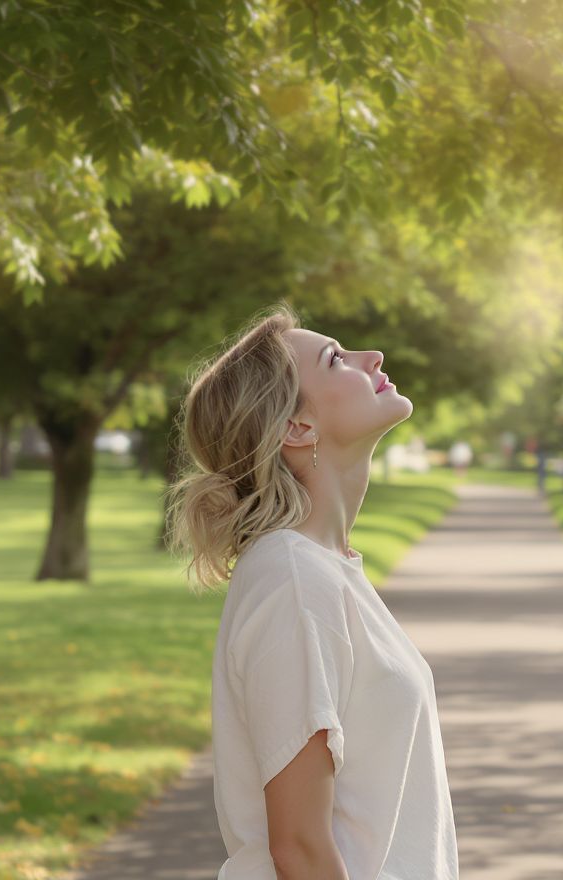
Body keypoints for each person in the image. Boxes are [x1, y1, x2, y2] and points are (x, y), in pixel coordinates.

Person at [165, 301, 459, 880]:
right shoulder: (294, 580)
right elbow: (299, 847)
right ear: (297, 427)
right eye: (336, 358)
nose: (371, 356)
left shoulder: (326, 569)